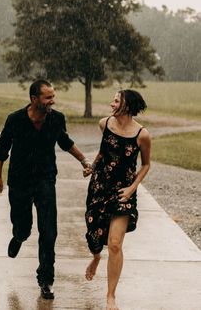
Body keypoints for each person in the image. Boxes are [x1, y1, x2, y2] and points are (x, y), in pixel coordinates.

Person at [0, 79, 91, 300]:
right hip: (19, 181)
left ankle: (46, 280)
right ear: (34, 99)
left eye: (53, 96)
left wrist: (84, 161)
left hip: (45, 180)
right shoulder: (15, 120)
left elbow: (64, 141)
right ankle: (19, 236)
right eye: (48, 97)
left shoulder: (56, 119)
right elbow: (2, 148)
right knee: (24, 226)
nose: (52, 101)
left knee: (49, 232)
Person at [84, 89, 151, 310]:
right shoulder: (104, 124)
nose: (111, 103)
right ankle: (95, 257)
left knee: (114, 244)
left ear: (127, 105)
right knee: (95, 235)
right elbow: (104, 151)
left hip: (124, 192)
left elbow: (146, 165)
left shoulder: (142, 135)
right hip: (99, 187)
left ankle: (111, 296)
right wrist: (92, 167)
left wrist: (132, 188)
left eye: (116, 100)